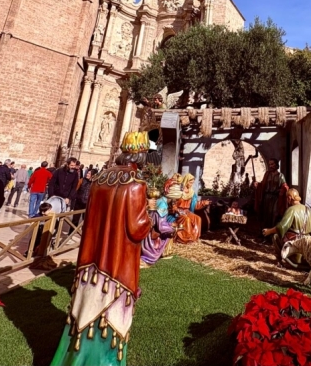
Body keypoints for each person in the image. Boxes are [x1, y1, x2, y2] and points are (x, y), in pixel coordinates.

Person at [50, 147, 151, 365]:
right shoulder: (136, 185)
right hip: (118, 266)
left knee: (85, 308)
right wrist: (150, 217)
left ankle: (73, 357)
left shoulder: (99, 180)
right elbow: (136, 229)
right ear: (140, 159)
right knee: (112, 315)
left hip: (90, 262)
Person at [262, 187, 311, 263]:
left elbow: (281, 227)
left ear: (289, 198)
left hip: (295, 243)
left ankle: (283, 260)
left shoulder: (291, 210)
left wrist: (269, 231)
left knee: (276, 237)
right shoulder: (308, 209)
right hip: (306, 243)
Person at [171, 173, 210, 244]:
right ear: (186, 181)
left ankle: (194, 238)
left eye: (192, 182)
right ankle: (186, 238)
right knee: (187, 219)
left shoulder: (191, 193)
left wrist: (204, 203)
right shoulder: (179, 191)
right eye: (190, 182)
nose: (191, 184)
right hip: (178, 212)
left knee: (197, 218)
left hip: (187, 211)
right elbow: (173, 204)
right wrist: (177, 210)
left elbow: (195, 205)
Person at [141, 196, 175, 266]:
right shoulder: (163, 206)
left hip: (149, 228)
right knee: (170, 233)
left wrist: (170, 224)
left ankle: (166, 253)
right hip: (152, 233)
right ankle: (149, 257)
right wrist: (173, 229)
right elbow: (161, 227)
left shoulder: (161, 201)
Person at [254, 158, 288, 230]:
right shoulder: (267, 174)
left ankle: (272, 232)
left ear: (276, 165)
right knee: (266, 215)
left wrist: (284, 189)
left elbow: (284, 185)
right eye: (269, 164)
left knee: (274, 214)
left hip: (275, 198)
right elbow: (263, 185)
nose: (270, 166)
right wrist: (258, 185)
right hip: (266, 198)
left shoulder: (280, 176)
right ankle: (265, 232)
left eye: (272, 164)